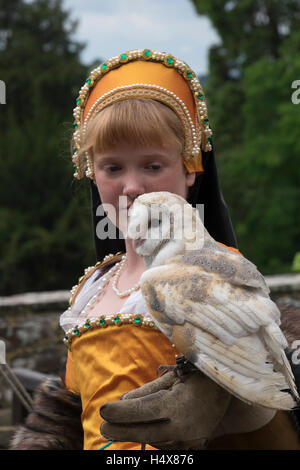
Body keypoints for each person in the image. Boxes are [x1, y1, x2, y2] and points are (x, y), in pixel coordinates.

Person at [10, 48, 300, 451]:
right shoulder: (90, 290)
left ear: (189, 168)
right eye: (113, 168)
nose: (132, 187)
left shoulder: (216, 273)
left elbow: (271, 379)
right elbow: (69, 415)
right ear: (92, 173)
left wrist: (223, 399)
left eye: (152, 166)